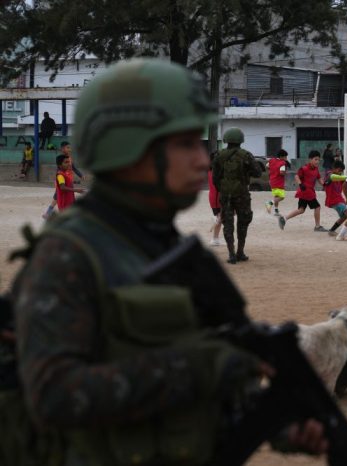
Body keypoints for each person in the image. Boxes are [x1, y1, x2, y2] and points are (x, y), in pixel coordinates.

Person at [13, 58, 327, 466]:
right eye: (185, 144)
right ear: (129, 150)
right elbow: (53, 395)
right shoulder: (69, 254)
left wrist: (277, 423)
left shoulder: (165, 244)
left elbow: (203, 377)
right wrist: (198, 367)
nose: (202, 160)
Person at [212, 127, 261, 264]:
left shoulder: (219, 155)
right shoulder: (246, 155)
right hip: (242, 194)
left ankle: (231, 254)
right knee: (243, 222)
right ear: (241, 140)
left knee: (227, 224)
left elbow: (215, 178)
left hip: (226, 195)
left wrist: (222, 189)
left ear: (226, 140)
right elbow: (257, 173)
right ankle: (240, 252)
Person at [278, 150, 327, 232]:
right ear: (310, 159)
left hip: (306, 192)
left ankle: (284, 218)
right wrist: (300, 184)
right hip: (306, 192)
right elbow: (296, 176)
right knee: (317, 207)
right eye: (315, 159)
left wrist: (324, 184)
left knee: (301, 210)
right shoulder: (304, 168)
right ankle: (317, 226)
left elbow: (319, 178)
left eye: (318, 160)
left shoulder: (316, 169)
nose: (317, 161)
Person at [42, 141, 85, 219]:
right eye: (68, 147)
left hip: (69, 181)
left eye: (70, 148)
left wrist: (80, 175)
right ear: (62, 149)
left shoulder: (69, 159)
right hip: (63, 182)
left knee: (64, 197)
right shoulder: (61, 160)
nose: (70, 149)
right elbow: (59, 172)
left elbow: (74, 168)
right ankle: (49, 213)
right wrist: (59, 179)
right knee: (57, 197)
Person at [323, 159, 347, 237]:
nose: (340, 172)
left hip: (340, 200)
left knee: (345, 216)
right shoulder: (329, 174)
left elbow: (345, 185)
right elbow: (333, 177)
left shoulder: (339, 177)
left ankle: (331, 230)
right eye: (339, 170)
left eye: (341, 171)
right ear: (333, 168)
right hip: (333, 201)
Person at [265, 149, 290, 217]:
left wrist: (273, 170)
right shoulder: (282, 163)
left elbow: (267, 166)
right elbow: (281, 172)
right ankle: (269, 203)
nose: (286, 158)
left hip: (272, 181)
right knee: (281, 197)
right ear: (281, 157)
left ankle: (276, 211)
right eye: (285, 157)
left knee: (276, 196)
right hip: (278, 182)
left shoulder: (272, 160)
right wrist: (285, 172)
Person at [208, 151, 223, 246]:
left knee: (220, 218)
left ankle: (215, 238)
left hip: (213, 197)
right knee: (220, 218)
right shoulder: (218, 171)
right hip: (218, 197)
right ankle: (215, 238)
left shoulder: (209, 170)